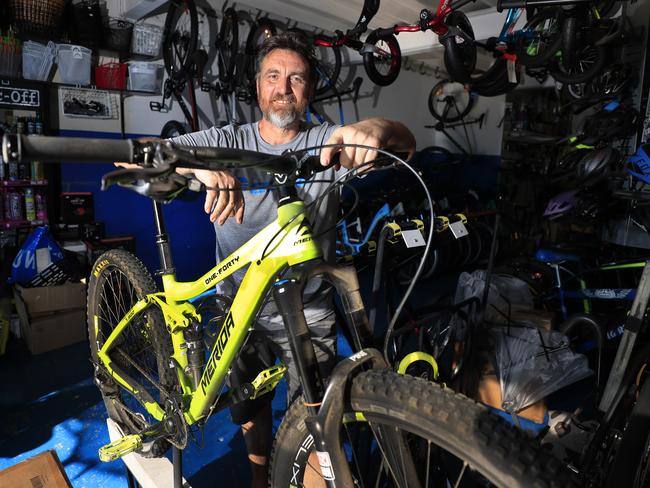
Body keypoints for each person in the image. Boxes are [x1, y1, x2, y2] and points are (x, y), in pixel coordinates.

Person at [128, 32, 415, 487]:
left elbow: (403, 141)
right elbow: (146, 150)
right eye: (274, 76)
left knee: (320, 423)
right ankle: (260, 479)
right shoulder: (226, 138)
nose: (284, 87)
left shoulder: (326, 141)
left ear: (309, 91)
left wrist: (377, 128)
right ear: (259, 88)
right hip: (237, 304)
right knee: (250, 412)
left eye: (296, 78)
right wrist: (197, 163)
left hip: (310, 307)